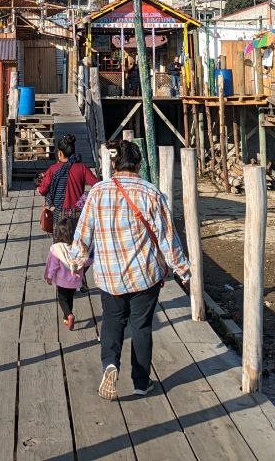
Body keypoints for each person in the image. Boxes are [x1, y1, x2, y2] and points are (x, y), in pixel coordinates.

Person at [67, 141, 190, 401]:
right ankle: (141, 382)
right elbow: (167, 237)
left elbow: (83, 233)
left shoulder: (98, 192)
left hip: (109, 274)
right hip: (144, 274)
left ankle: (110, 364)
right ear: (139, 164)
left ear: (114, 163)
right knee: (141, 326)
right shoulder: (151, 192)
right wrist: (182, 269)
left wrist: (76, 261)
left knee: (112, 321)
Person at [37, 135, 99, 329]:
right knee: (84, 252)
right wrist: (85, 197)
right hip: (79, 217)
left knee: (62, 253)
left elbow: (42, 190)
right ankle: (80, 276)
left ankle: (67, 293)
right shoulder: (81, 168)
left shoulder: (53, 169)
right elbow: (97, 185)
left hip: (60, 219)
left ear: (60, 152)